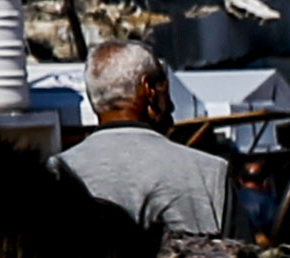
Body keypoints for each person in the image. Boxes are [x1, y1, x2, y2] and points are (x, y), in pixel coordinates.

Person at [57, 40, 227, 236]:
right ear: (149, 89)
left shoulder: (55, 174)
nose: (171, 106)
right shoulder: (209, 173)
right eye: (165, 87)